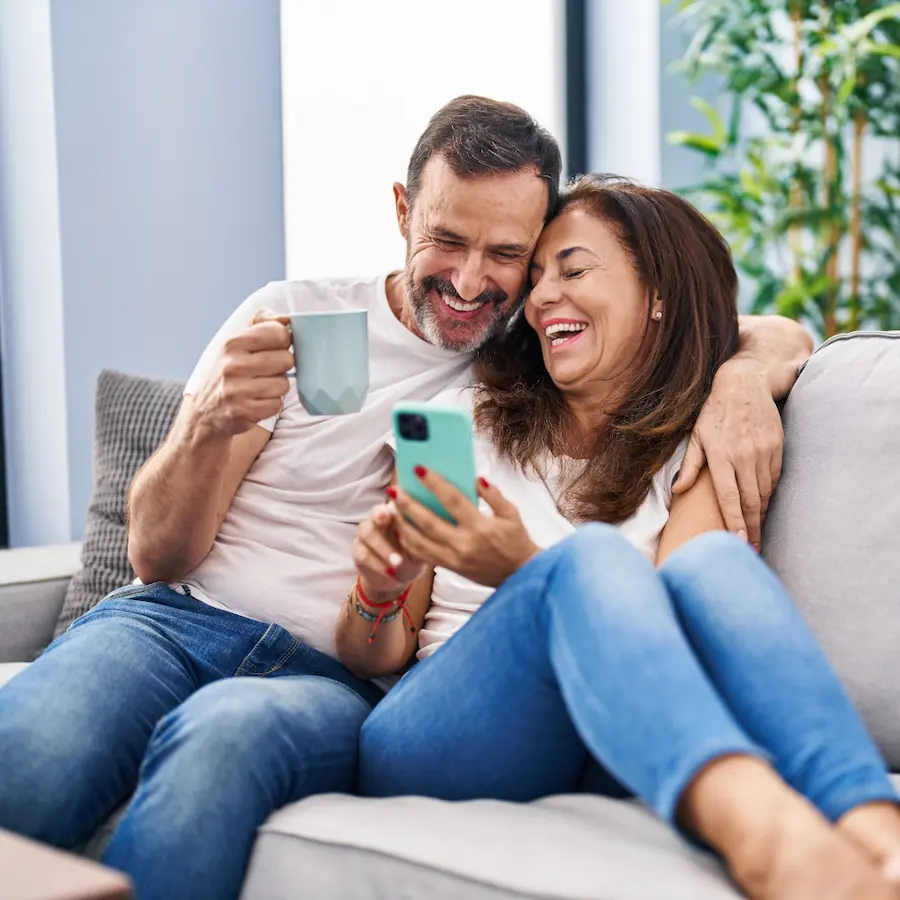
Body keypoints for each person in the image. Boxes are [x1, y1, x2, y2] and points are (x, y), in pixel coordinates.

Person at [0, 98, 810, 900]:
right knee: (34, 755)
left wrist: (741, 377)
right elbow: (156, 555)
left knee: (227, 738)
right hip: (175, 622)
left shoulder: (520, 360)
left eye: (506, 255)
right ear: (401, 210)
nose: (468, 282)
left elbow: (718, 321)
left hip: (334, 682)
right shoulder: (292, 316)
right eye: (447, 241)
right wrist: (207, 426)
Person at [340, 176, 900, 900]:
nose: (540, 299)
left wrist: (741, 379)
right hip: (446, 733)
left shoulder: (700, 435)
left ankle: (875, 829)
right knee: (593, 558)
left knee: (713, 568)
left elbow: (681, 632)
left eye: (573, 270)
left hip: (616, 734)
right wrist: (379, 591)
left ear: (659, 293)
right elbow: (372, 651)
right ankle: (763, 837)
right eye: (537, 277)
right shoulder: (462, 420)